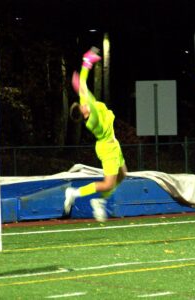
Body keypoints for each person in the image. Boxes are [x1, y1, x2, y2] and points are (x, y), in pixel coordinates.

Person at [64, 47, 127, 222]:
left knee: (123, 175)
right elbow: (82, 86)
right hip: (107, 148)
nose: (84, 105)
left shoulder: (86, 104)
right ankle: (76, 193)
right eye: (82, 107)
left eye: (82, 104)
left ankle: (100, 201)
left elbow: (83, 82)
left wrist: (87, 61)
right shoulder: (93, 120)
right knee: (108, 183)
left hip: (113, 144)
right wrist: (83, 72)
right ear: (83, 115)